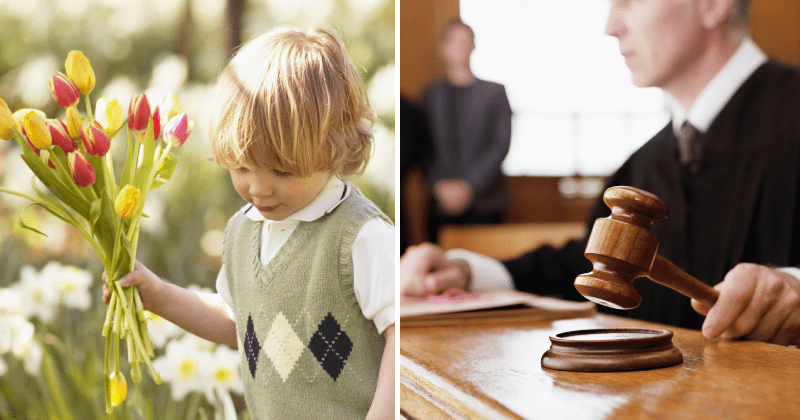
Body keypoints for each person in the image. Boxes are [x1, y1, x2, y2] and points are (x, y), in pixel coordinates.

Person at [401, 0, 800, 346]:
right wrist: (467, 273)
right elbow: (592, 265)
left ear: (713, 5)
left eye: (632, 1)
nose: (611, 27)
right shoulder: (643, 165)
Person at [104, 27, 395, 419]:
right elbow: (238, 319)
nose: (258, 188)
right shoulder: (244, 230)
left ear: (333, 148)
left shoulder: (359, 238)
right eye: (241, 166)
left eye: (282, 171)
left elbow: (401, 333)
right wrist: (159, 296)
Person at [421, 20, 512, 243]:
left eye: (465, 41)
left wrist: (469, 185)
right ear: (444, 48)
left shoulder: (494, 93)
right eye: (455, 42)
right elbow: (422, 147)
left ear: (473, 46)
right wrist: (439, 185)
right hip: (439, 204)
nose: (460, 47)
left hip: (485, 202)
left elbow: (500, 144)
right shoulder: (430, 95)